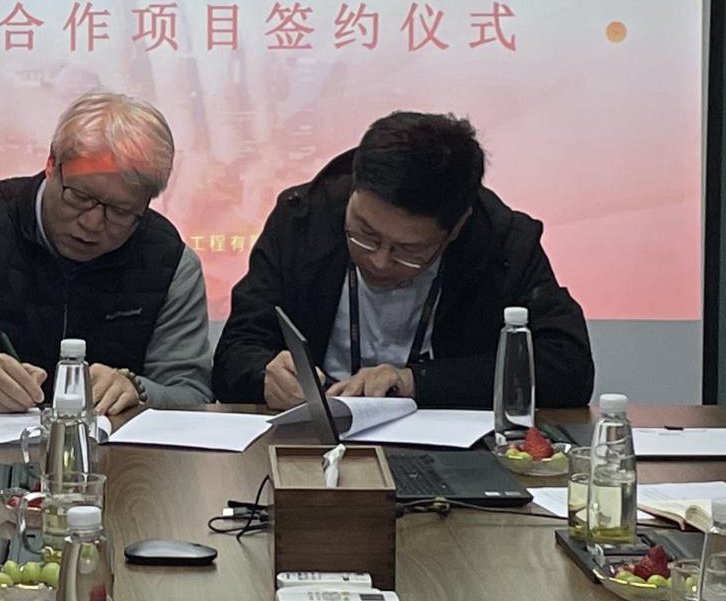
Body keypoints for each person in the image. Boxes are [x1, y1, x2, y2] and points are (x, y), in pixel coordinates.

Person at [0, 91, 214, 415]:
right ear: (51, 165)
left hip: (114, 457)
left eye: (120, 212)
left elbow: (191, 391)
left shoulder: (170, 261)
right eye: (80, 197)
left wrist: (138, 390)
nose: (92, 223)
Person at [212, 110, 593, 409]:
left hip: (448, 452)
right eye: (364, 233)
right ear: (354, 192)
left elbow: (567, 370)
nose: (379, 261)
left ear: (456, 228)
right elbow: (236, 352)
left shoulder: (502, 243)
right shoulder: (302, 220)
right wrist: (263, 376)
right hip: (313, 442)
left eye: (408, 251)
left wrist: (416, 382)